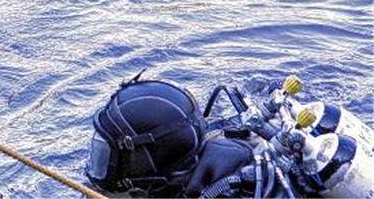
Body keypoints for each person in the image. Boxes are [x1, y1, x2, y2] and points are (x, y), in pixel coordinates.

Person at [85, 74, 374, 198]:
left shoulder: (224, 190)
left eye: (107, 156)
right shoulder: (197, 154)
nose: (98, 166)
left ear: (150, 160)